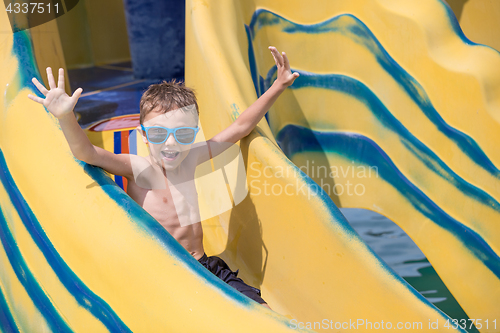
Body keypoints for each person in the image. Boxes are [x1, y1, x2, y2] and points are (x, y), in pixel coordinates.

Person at [28, 46, 299, 309]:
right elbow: (87, 153)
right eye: (158, 134)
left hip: (206, 266)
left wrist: (278, 86)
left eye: (182, 134)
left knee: (261, 313)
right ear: (144, 135)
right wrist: (65, 117)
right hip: (169, 275)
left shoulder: (192, 158)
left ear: (194, 133)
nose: (171, 143)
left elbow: (240, 127)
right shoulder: (139, 169)